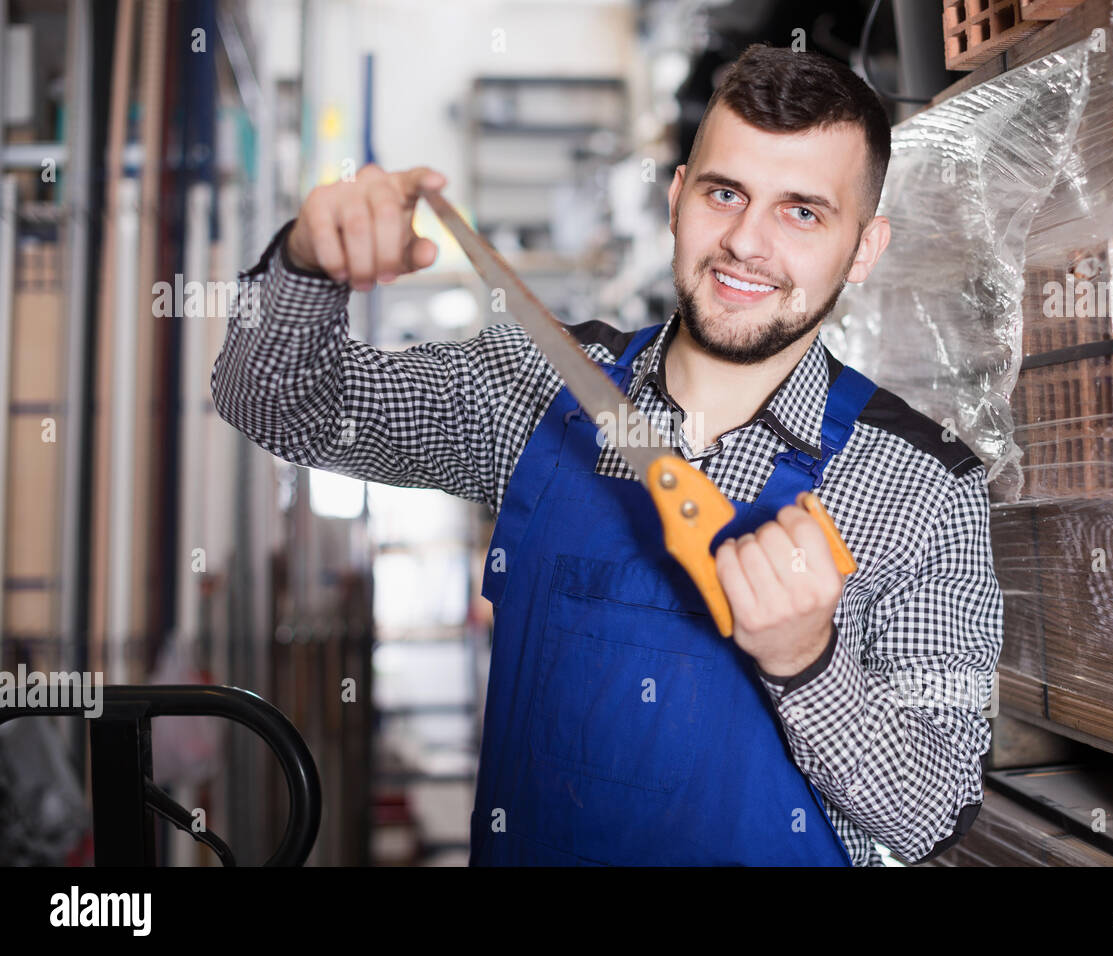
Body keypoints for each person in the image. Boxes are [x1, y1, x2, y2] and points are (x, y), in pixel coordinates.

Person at [211, 42, 1003, 867]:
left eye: (802, 211)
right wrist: (305, 263)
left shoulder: (923, 487)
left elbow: (932, 812)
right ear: (676, 200)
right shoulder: (536, 390)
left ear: (865, 249)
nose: (746, 243)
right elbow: (278, 406)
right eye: (724, 193)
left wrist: (809, 662)